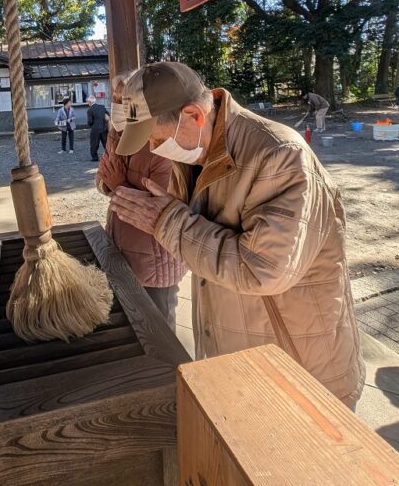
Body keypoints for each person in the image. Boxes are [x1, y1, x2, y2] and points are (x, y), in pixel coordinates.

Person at [109, 62, 364, 408]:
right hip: (242, 359)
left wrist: (167, 222)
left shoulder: (280, 156)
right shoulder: (194, 153)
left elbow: (263, 269)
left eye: (156, 138)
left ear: (194, 116)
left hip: (298, 367)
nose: (154, 149)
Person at [96, 74, 186, 326]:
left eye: (123, 100)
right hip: (124, 247)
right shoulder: (129, 136)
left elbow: (161, 211)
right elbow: (103, 177)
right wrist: (112, 185)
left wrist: (118, 186)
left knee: (161, 330)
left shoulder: (166, 149)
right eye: (117, 100)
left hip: (155, 261)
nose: (119, 105)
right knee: (133, 324)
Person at [86, 95, 110, 161]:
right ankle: (109, 156)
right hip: (104, 128)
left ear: (90, 102)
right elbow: (108, 115)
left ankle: (95, 157)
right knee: (106, 143)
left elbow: (90, 121)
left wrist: (90, 125)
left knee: (94, 143)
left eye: (88, 102)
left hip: (95, 129)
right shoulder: (102, 107)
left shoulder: (90, 110)